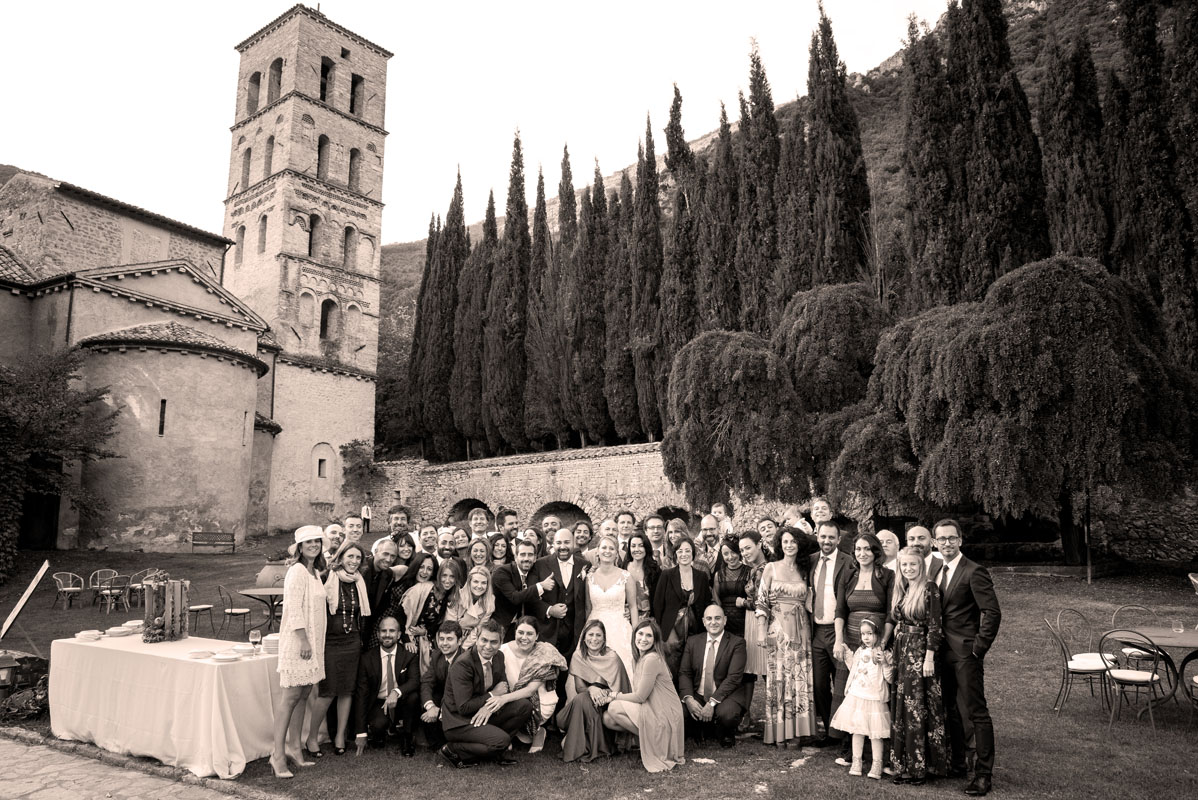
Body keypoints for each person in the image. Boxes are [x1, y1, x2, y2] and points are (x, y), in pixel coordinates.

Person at [933, 519, 1001, 797]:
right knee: (949, 709)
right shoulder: (935, 570)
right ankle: (959, 763)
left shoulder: (974, 571)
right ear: (935, 542)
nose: (946, 543)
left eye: (951, 538)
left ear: (960, 540)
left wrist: (978, 648)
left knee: (975, 713)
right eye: (941, 539)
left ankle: (983, 774)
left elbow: (992, 612)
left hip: (965, 653)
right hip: (940, 652)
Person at [832, 533, 895, 765]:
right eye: (858, 549)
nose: (862, 553)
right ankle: (850, 750)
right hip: (851, 639)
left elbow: (891, 613)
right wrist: (839, 640)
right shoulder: (848, 574)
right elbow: (840, 610)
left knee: (877, 694)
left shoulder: (888, 575)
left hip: (878, 640)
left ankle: (882, 754)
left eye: (867, 549)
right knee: (850, 694)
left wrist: (882, 643)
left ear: (876, 552)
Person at [271, 526, 328, 779]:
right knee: (290, 698)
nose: (314, 545)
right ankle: (277, 754)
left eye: (317, 541)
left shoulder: (314, 572)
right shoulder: (296, 571)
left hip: (313, 644)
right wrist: (304, 641)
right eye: (308, 542)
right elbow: (292, 609)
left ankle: (295, 748)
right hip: (299, 642)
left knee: (304, 695)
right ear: (299, 547)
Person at [889, 547, 949, 786]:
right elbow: (899, 621)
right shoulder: (903, 588)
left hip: (920, 654)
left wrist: (929, 658)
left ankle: (922, 767)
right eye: (904, 565)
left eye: (913, 565)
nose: (908, 569)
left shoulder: (929, 588)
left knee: (918, 709)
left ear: (921, 565)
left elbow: (935, 626)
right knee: (902, 708)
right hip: (902, 653)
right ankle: (903, 765)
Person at [755, 526, 819, 747]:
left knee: (799, 679)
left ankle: (798, 732)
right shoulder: (770, 568)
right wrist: (762, 630)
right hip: (778, 630)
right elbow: (761, 601)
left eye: (793, 541)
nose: (789, 545)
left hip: (801, 632)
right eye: (785, 542)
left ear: (799, 544)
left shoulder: (805, 569)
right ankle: (780, 732)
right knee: (779, 679)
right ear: (779, 545)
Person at [440, 619, 533, 768]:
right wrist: (491, 695)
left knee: (524, 706)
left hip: (483, 712)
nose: (488, 646)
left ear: (500, 642)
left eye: (494, 642)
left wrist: (488, 707)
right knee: (502, 741)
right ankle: (452, 749)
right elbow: (463, 707)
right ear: (476, 639)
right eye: (484, 640)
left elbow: (503, 687)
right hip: (459, 721)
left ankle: (494, 747)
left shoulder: (499, 656)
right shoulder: (463, 664)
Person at [308, 540, 372, 757]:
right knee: (327, 692)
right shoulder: (326, 577)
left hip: (352, 641)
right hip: (330, 642)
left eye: (358, 558)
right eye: (350, 556)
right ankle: (311, 737)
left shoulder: (359, 582)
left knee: (347, 691)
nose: (354, 562)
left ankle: (340, 736)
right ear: (341, 557)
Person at [603, 620, 686, 772]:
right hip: (653, 707)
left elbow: (640, 697)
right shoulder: (639, 659)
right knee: (608, 719)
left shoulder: (652, 659)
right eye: (640, 634)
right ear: (634, 635)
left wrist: (615, 695)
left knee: (614, 707)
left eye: (649, 635)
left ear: (655, 640)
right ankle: (650, 741)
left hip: (665, 713)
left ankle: (654, 743)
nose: (643, 638)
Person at [557, 619, 631, 763]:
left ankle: (579, 746)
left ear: (604, 639)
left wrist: (602, 696)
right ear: (584, 638)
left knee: (582, 700)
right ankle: (597, 746)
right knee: (582, 699)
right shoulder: (578, 656)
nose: (594, 639)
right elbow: (580, 688)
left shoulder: (612, 657)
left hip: (606, 702)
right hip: (587, 698)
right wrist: (592, 688)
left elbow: (618, 688)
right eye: (590, 635)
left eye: (598, 635)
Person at [829, 616, 894, 779]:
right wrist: (848, 655)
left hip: (874, 699)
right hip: (857, 696)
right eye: (863, 634)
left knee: (875, 733)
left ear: (878, 634)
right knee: (857, 730)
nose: (866, 637)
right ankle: (857, 761)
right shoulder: (860, 651)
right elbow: (854, 669)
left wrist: (885, 663)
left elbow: (890, 678)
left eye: (870, 634)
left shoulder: (884, 654)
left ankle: (877, 764)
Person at [678, 605, 749, 747]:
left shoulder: (737, 643)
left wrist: (712, 703)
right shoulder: (693, 642)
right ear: (703, 622)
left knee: (727, 715)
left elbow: (733, 678)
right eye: (709, 619)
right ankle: (699, 728)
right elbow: (684, 672)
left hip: (725, 695)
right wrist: (689, 699)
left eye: (718, 618)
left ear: (725, 620)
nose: (713, 622)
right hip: (699, 693)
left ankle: (725, 732)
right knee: (679, 712)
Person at [498, 617, 568, 752]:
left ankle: (536, 731)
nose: (524, 637)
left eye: (530, 634)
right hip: (511, 697)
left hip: (540, 701)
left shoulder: (544, 653)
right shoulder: (502, 650)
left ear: (537, 636)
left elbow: (530, 690)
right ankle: (512, 735)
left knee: (518, 707)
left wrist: (502, 699)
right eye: (521, 632)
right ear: (515, 633)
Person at [352, 616, 419, 755]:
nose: (387, 634)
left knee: (413, 697)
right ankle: (378, 734)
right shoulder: (367, 658)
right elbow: (361, 695)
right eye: (383, 631)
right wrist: (361, 732)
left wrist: (396, 692)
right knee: (378, 725)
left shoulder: (409, 655)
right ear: (377, 634)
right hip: (379, 702)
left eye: (392, 631)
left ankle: (407, 737)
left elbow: (414, 681)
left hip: (401, 701)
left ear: (399, 634)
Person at [810, 520, 850, 744]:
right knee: (819, 685)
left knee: (842, 683)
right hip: (817, 631)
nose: (826, 541)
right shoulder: (811, 561)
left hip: (839, 630)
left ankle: (844, 732)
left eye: (831, 537)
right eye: (823, 536)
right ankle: (829, 730)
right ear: (817, 536)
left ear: (838, 539)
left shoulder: (848, 562)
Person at [654, 535, 711, 678]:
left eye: (687, 551)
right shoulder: (667, 575)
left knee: (692, 663)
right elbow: (658, 603)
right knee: (673, 663)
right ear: (675, 555)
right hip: (671, 628)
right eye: (680, 551)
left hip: (695, 627)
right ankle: (672, 696)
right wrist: (662, 629)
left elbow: (705, 603)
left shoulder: (701, 576)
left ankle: (688, 696)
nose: (684, 554)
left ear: (693, 553)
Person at [583, 534, 639, 676]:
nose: (607, 551)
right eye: (604, 547)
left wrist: (636, 632)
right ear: (598, 552)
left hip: (619, 629)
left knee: (621, 668)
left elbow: (633, 606)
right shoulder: (589, 578)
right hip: (594, 626)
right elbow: (587, 608)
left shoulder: (626, 576)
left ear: (616, 553)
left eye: (611, 548)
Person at [533, 529, 590, 668]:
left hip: (574, 632)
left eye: (567, 542)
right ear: (552, 544)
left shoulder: (585, 565)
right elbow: (531, 597)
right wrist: (549, 609)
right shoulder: (540, 564)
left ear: (574, 543)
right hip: (547, 631)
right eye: (558, 543)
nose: (562, 546)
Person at [402, 558, 462, 674]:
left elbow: (438, 624)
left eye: (452, 577)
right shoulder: (423, 589)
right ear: (439, 575)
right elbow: (401, 615)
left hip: (427, 638)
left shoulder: (450, 595)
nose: (448, 580)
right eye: (444, 575)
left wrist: (425, 632)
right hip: (409, 636)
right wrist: (406, 640)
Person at [492, 540, 552, 640]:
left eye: (530, 555)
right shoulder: (502, 572)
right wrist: (540, 586)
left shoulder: (535, 574)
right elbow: (515, 597)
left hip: (524, 629)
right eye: (523, 554)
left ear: (535, 558)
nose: (526, 558)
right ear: (516, 557)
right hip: (501, 627)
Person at [419, 620, 464, 749]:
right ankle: (437, 745)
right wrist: (430, 706)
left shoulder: (466, 659)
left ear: (459, 641)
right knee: (427, 697)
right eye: (442, 639)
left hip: (461, 702)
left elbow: (463, 694)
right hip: (443, 696)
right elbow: (427, 681)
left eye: (449, 639)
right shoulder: (437, 654)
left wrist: (441, 710)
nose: (444, 643)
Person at [738, 530, 770, 712]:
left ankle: (774, 716)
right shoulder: (753, 569)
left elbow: (764, 601)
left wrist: (743, 602)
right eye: (742, 550)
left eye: (748, 548)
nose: (745, 553)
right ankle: (747, 714)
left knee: (767, 670)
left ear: (759, 544)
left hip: (761, 621)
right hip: (751, 622)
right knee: (750, 670)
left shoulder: (766, 568)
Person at [449, 565, 496, 648]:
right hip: (451, 636)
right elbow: (449, 624)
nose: (479, 586)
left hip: (470, 641)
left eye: (483, 583)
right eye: (476, 581)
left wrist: (463, 648)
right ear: (469, 582)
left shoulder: (490, 602)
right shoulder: (458, 596)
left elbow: (478, 630)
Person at [712, 538, 750, 636]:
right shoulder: (718, 575)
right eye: (726, 554)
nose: (730, 557)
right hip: (725, 623)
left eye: (733, 552)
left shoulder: (749, 572)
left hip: (745, 620)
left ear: (739, 552)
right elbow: (716, 599)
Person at [621, 530, 660, 625]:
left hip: (649, 619)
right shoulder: (623, 567)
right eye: (633, 546)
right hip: (627, 618)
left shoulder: (655, 570)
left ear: (646, 548)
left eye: (641, 545)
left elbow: (658, 599)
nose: (636, 549)